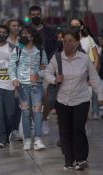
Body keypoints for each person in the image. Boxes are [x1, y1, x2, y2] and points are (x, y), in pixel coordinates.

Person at [45, 29, 103, 171]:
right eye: (64, 41)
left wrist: (101, 96)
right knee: (65, 130)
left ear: (77, 42)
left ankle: (81, 159)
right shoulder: (57, 58)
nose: (67, 44)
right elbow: (47, 72)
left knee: (78, 128)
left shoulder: (84, 58)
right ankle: (69, 160)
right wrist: (54, 79)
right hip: (62, 99)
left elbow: (94, 78)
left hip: (81, 99)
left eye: (70, 41)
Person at [8, 26, 48, 151]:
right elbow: (11, 66)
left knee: (37, 112)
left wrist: (39, 75)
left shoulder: (40, 51)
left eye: (26, 33)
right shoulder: (18, 50)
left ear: (33, 36)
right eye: (22, 34)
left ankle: (37, 139)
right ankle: (27, 139)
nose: (23, 36)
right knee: (25, 113)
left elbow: (46, 69)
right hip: (22, 87)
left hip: (37, 86)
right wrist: (14, 79)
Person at [29, 5, 58, 135]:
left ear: (41, 15)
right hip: (29, 68)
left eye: (37, 14)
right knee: (31, 99)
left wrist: (48, 63)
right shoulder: (26, 31)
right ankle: (33, 122)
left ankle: (44, 118)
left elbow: (55, 49)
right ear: (29, 16)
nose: (36, 16)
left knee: (49, 98)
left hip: (47, 68)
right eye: (33, 14)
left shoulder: (51, 31)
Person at [70, 18, 101, 120]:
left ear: (81, 26)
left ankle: (94, 111)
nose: (75, 27)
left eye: (77, 24)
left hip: (88, 70)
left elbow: (96, 57)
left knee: (92, 93)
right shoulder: (68, 40)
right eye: (72, 25)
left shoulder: (88, 39)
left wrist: (94, 73)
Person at [5, 19, 23, 141]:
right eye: (13, 26)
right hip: (5, 78)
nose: (16, 27)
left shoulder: (22, 41)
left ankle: (15, 130)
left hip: (20, 77)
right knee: (8, 106)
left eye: (18, 26)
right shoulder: (3, 42)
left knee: (18, 104)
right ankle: (7, 130)